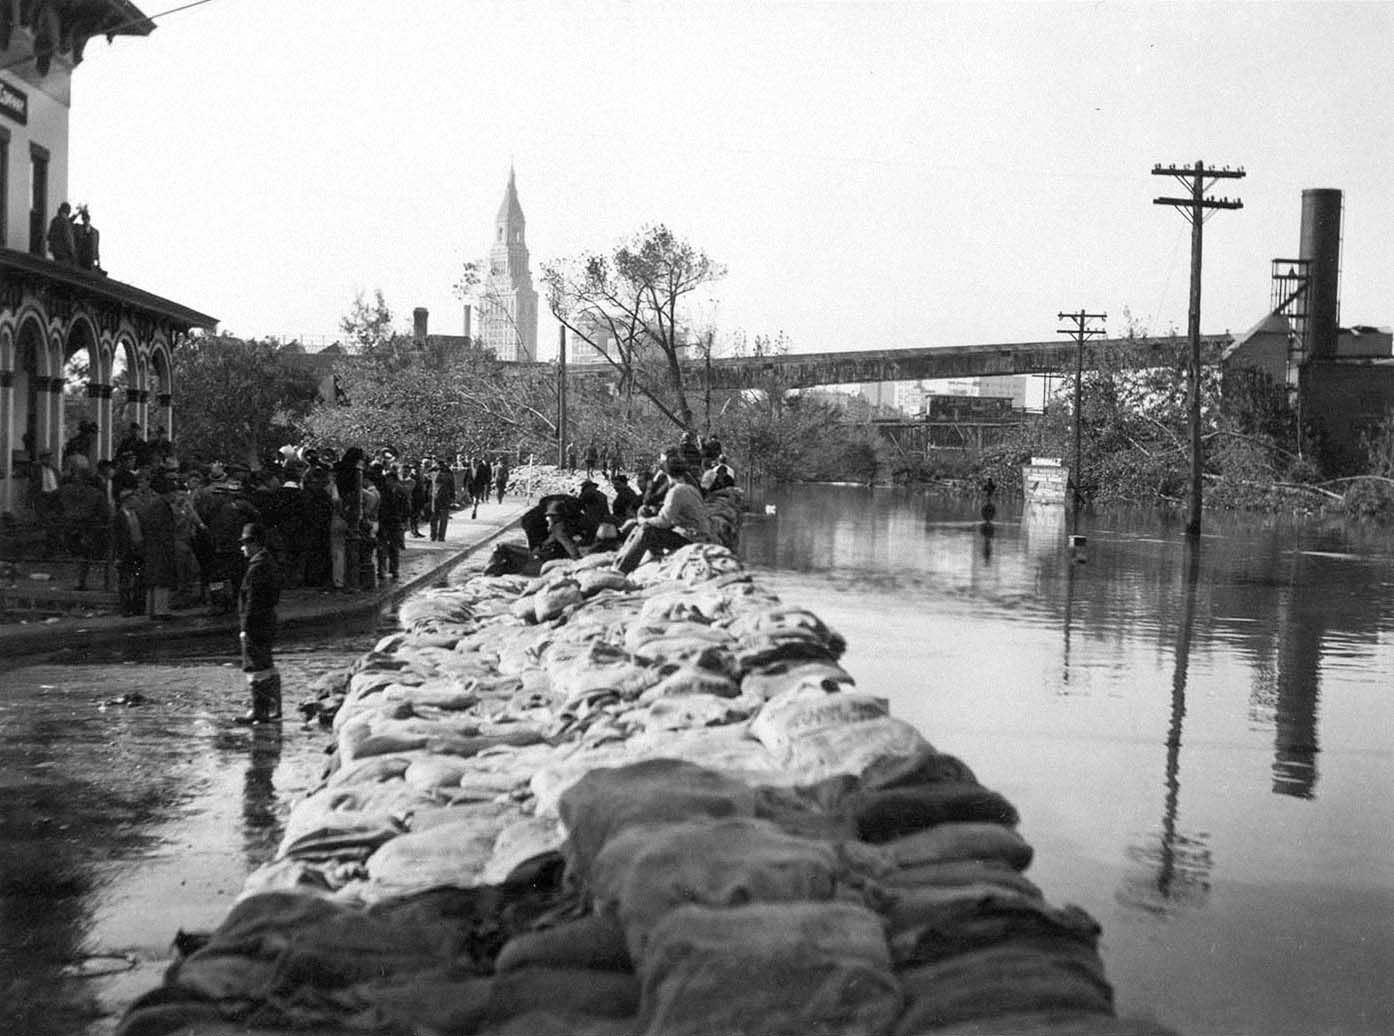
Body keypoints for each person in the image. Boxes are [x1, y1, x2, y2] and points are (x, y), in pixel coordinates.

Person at [613, 451, 712, 574]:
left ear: (667, 474)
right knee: (647, 526)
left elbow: (664, 521)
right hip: (696, 534)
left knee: (646, 531)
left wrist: (643, 520)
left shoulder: (676, 491)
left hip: (692, 539)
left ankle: (622, 570)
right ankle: (639, 557)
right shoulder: (690, 488)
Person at [236, 522, 282, 725]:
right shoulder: (268, 562)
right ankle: (274, 707)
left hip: (256, 624)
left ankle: (260, 710)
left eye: (245, 542)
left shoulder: (256, 568)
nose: (242, 547)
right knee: (266, 663)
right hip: (268, 620)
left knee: (256, 666)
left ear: (254, 543)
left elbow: (251, 602)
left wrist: (245, 628)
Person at [428, 457, 456, 541]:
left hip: (437, 497)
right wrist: (452, 497)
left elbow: (452, 486)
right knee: (440, 518)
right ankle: (440, 536)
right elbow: (452, 486)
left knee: (436, 517)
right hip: (440, 497)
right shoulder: (448, 472)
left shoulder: (433, 472)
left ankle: (435, 536)